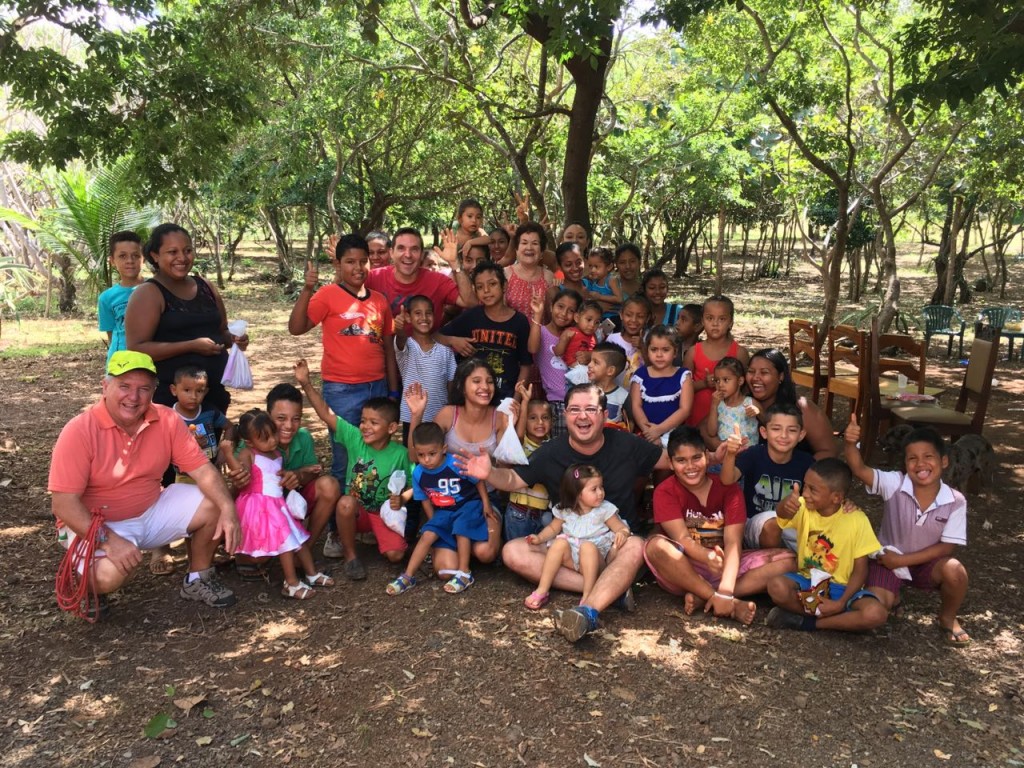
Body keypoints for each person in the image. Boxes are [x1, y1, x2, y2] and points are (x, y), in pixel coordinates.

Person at [459, 383, 668, 643]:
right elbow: (513, 479)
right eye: (575, 409)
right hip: (572, 549)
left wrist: (713, 460)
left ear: (604, 415)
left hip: (615, 548)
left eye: (591, 409)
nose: (582, 416)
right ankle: (612, 589)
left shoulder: (626, 444)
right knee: (513, 551)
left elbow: (671, 462)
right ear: (565, 415)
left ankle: (588, 611)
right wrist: (489, 472)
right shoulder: (551, 453)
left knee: (637, 545)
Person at [48, 351, 240, 616]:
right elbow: (63, 503)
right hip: (94, 524)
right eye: (124, 386)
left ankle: (198, 579)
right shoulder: (79, 430)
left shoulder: (166, 419)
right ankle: (87, 582)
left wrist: (229, 510)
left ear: (154, 392)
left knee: (216, 501)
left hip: (150, 510)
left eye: (143, 389)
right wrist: (110, 542)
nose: (133, 397)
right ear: (105, 387)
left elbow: (203, 471)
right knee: (110, 577)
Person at [643, 427, 794, 625]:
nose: (690, 466)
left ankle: (708, 596)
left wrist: (726, 590)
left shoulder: (728, 488)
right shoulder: (665, 491)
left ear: (707, 457)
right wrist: (707, 557)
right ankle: (715, 597)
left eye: (696, 458)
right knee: (655, 547)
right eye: (681, 460)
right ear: (670, 464)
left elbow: (733, 542)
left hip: (726, 564)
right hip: (685, 567)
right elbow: (682, 539)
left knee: (791, 561)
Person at [844, 417, 971, 646]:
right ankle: (895, 596)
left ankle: (947, 617)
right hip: (887, 560)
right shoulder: (895, 484)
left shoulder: (955, 500)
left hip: (925, 564)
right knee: (877, 609)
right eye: (912, 458)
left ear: (944, 461)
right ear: (905, 463)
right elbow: (859, 469)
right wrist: (851, 444)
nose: (920, 464)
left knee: (956, 571)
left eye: (928, 457)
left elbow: (946, 547)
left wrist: (903, 560)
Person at [288, 233, 399, 485]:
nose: (358, 268)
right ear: (338, 265)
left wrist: (392, 391)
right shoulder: (327, 295)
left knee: (376, 449)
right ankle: (339, 512)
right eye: (350, 262)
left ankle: (368, 502)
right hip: (341, 390)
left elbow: (389, 350)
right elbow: (296, 327)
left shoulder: (379, 301)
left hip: (377, 387)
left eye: (363, 261)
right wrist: (307, 289)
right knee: (344, 455)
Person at [293, 360, 412, 580]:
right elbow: (326, 414)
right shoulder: (355, 438)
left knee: (396, 555)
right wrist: (306, 384)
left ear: (392, 428)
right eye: (363, 420)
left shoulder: (400, 454)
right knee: (345, 502)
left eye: (374, 423)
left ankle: (377, 536)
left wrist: (402, 499)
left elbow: (414, 485)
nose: (365, 426)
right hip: (356, 512)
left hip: (384, 513)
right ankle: (351, 556)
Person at [125, 223, 242, 416]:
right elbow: (137, 347)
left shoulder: (206, 286)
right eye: (172, 252)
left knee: (208, 447)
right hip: (172, 402)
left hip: (211, 397)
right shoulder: (149, 293)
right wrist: (191, 346)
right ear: (155, 256)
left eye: (187, 250)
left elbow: (222, 332)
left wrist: (235, 339)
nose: (182, 258)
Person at [764, 458, 888, 633]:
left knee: (876, 614)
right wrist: (786, 504)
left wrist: (841, 603)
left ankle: (808, 623)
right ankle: (838, 620)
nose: (805, 493)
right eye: (805, 486)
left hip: (843, 589)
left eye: (812, 489)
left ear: (836, 497)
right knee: (776, 586)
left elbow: (861, 569)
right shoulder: (803, 507)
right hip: (807, 582)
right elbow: (781, 513)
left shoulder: (857, 520)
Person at [221, 410, 334, 600]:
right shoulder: (249, 453)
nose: (273, 440)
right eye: (265, 438)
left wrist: (302, 471)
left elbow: (277, 474)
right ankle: (290, 583)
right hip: (261, 507)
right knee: (286, 545)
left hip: (277, 505)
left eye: (273, 434)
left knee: (298, 541)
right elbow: (241, 474)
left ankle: (311, 573)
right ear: (250, 442)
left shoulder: (275, 453)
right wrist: (228, 454)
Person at [404, 360, 506, 569]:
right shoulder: (449, 414)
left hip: (487, 497)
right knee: (444, 570)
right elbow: (416, 456)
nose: (484, 387)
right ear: (461, 385)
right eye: (476, 381)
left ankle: (477, 541)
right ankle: (458, 545)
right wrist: (417, 415)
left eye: (489, 381)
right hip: (450, 501)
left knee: (485, 553)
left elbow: (507, 467)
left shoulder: (500, 417)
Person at [386, 422, 496, 596]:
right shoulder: (419, 473)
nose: (426, 460)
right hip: (444, 510)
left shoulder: (455, 463)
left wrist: (486, 503)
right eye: (421, 455)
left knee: (461, 528)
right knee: (428, 534)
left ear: (444, 448)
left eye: (432, 454)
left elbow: (478, 480)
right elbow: (424, 500)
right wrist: (433, 523)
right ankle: (408, 576)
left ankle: (464, 572)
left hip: (468, 504)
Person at [524, 464, 630, 610]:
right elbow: (553, 528)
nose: (600, 493)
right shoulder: (566, 511)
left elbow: (620, 527)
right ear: (577, 493)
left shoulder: (604, 510)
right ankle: (542, 590)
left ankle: (588, 597)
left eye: (601, 487)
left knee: (587, 546)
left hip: (596, 562)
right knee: (559, 543)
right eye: (594, 489)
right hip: (574, 560)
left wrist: (622, 532)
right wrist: (539, 538)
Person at [263, 383, 342, 564]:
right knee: (256, 562)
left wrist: (297, 476)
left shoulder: (304, 437)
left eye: (296, 418)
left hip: (292, 503)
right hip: (264, 509)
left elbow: (312, 472)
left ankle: (304, 550)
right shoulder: (254, 440)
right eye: (281, 418)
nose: (289, 426)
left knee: (329, 485)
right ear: (268, 416)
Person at [709, 348, 835, 458]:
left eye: (764, 372)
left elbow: (828, 451)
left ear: (780, 376)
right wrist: (726, 447)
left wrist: (803, 476)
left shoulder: (802, 407)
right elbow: (705, 430)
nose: (755, 377)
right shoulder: (740, 403)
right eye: (751, 371)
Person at [720, 403, 815, 549]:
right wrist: (730, 454)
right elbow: (727, 480)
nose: (783, 435)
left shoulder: (806, 462)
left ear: (801, 435)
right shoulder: (754, 454)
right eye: (776, 429)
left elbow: (822, 492)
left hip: (793, 524)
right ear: (764, 432)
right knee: (773, 523)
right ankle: (777, 563)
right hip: (757, 523)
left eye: (791, 430)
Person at [438, 261, 533, 399]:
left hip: (505, 398)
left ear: (504, 285)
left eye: (492, 284)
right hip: (473, 397)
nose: (486, 291)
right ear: (475, 291)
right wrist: (453, 340)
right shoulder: (471, 316)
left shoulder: (520, 321)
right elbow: (435, 336)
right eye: (480, 287)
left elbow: (525, 365)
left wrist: (516, 401)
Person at [364, 227, 476, 332]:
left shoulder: (437, 281)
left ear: (422, 255)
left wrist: (454, 263)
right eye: (401, 248)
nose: (407, 255)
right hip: (382, 349)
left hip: (425, 351)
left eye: (414, 249)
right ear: (391, 253)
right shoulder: (372, 278)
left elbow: (470, 302)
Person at [684, 295, 749, 428]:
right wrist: (705, 383)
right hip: (696, 416)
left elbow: (746, 389)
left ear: (730, 322)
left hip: (729, 421)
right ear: (702, 321)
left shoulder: (739, 353)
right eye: (710, 318)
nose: (715, 323)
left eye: (722, 319)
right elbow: (684, 388)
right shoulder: (693, 352)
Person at [393, 295, 457, 428]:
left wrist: (451, 411)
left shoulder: (446, 350)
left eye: (428, 313)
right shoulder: (406, 346)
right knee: (411, 448)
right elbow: (400, 339)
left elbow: (452, 385)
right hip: (411, 416)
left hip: (440, 416)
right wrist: (399, 328)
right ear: (408, 317)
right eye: (417, 313)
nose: (424, 318)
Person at [503, 383, 554, 541]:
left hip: (543, 515)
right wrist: (525, 402)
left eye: (545, 418)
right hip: (519, 513)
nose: (540, 422)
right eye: (533, 418)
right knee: (516, 554)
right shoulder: (522, 443)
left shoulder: (553, 447)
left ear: (552, 422)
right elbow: (518, 435)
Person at [529, 287, 582, 437]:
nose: (564, 314)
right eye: (560, 306)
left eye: (571, 310)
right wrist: (537, 315)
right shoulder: (541, 332)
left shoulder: (577, 335)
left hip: (579, 400)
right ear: (551, 306)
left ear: (577, 316)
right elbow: (532, 348)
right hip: (556, 402)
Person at [630, 325, 694, 447]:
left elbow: (685, 410)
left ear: (675, 352)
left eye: (665, 350)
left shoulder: (683, 376)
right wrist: (649, 433)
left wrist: (659, 430)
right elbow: (636, 406)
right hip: (645, 434)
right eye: (654, 349)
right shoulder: (640, 375)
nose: (659, 355)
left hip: (675, 436)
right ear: (647, 350)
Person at [97, 231, 144, 364]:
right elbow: (112, 337)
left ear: (143, 258)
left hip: (151, 361)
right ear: (112, 260)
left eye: (135, 255)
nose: (130, 261)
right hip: (120, 363)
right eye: (122, 256)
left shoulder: (156, 289)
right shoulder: (106, 298)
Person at [505, 221, 556, 320]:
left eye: (535, 243)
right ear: (516, 249)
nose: (529, 247)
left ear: (541, 251)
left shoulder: (549, 277)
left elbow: (552, 315)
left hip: (542, 335)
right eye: (524, 243)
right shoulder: (506, 274)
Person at [706, 356, 759, 449]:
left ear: (740, 381)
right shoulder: (718, 404)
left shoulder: (750, 402)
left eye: (726, 380)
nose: (720, 385)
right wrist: (713, 406)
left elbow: (767, 420)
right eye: (717, 380)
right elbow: (711, 432)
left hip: (749, 455)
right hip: (726, 456)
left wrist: (757, 411)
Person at [606, 294, 650, 387]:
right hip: (616, 395)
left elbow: (654, 367)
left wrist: (643, 347)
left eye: (640, 316)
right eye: (628, 315)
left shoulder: (650, 339)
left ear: (647, 318)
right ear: (621, 315)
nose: (633, 320)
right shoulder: (612, 339)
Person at [587, 342, 629, 428]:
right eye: (590, 361)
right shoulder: (583, 392)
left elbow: (629, 425)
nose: (589, 365)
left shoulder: (623, 397)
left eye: (596, 362)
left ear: (610, 371)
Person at [583, 246, 622, 321]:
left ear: (609, 267)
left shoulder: (611, 280)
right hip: (599, 318)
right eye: (590, 266)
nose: (592, 270)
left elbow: (619, 299)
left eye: (596, 267)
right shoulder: (594, 281)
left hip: (613, 319)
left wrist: (599, 297)